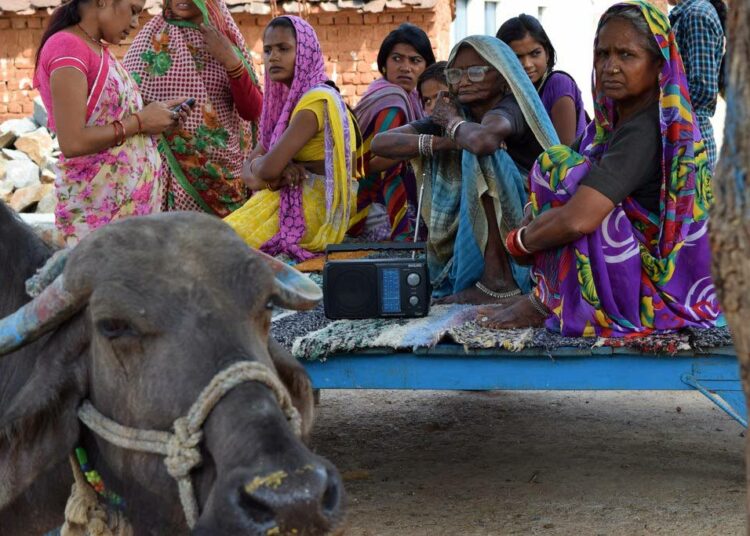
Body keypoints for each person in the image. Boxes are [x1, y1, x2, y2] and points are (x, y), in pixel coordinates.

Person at [477, 1, 722, 337]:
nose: (610, 67)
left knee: (570, 182)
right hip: (637, 274)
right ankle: (549, 296)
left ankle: (549, 302)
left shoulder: (647, 129)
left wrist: (519, 242)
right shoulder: (609, 127)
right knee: (563, 164)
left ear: (658, 65)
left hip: (658, 291)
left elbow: (578, 219)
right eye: (602, 54)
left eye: (626, 55)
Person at [370, 35, 559, 303]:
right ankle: (475, 275)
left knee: (481, 152)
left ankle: (499, 281)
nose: (465, 80)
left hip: (532, 220)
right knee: (470, 145)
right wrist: (445, 141)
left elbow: (482, 141)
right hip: (496, 218)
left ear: (503, 78)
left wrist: (455, 126)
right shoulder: (455, 115)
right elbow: (381, 143)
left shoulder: (512, 107)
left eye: (477, 71)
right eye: (456, 73)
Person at [33, 0, 190, 246]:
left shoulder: (96, 49)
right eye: (134, 10)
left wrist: (158, 119)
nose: (136, 23)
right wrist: (140, 121)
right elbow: (72, 141)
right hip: (97, 215)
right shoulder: (67, 46)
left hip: (132, 214)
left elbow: (116, 123)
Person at [224, 16, 359, 262]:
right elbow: (249, 178)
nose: (273, 57)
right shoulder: (290, 105)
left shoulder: (315, 102)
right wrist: (271, 170)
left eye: (283, 49)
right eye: (267, 50)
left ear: (305, 52)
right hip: (290, 198)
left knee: (220, 248)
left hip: (312, 210)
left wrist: (270, 169)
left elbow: (262, 170)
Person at [123, 0, 262, 217]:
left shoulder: (223, 34)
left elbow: (252, 111)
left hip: (227, 172)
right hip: (173, 174)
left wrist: (231, 61)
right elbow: (127, 106)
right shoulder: (152, 39)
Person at [349, 23, 435, 242]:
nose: (405, 67)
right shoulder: (392, 101)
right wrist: (425, 146)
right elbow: (382, 162)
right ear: (384, 65)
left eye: (415, 60)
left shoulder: (414, 98)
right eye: (397, 59)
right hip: (376, 204)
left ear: (426, 67)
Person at [497, 14, 587, 146]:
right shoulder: (505, 92)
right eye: (517, 57)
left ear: (547, 53)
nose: (527, 64)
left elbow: (565, 154)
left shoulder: (558, 84)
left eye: (535, 54)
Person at [668, 0, 726, 170]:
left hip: (692, 142)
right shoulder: (687, 14)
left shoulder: (696, 15)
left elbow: (703, 90)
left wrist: (664, 106)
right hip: (685, 136)